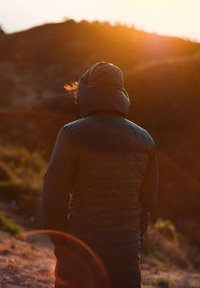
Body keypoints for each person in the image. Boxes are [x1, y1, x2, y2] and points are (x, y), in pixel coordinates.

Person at [42, 62, 159, 288]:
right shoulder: (145, 139)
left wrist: (63, 246)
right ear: (121, 94)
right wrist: (131, 243)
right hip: (126, 259)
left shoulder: (72, 133)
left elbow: (53, 199)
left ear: (85, 94)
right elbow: (147, 204)